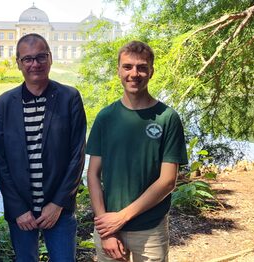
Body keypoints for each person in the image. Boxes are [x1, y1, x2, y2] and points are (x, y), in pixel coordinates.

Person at [86, 41, 188, 261]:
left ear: (151, 72)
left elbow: (168, 181)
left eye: (142, 67)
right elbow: (92, 174)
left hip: (150, 229)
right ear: (118, 71)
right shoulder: (106, 117)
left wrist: (121, 218)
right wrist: (107, 228)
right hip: (109, 228)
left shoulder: (167, 118)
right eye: (127, 67)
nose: (134, 73)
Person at [0, 33, 87, 261]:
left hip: (60, 209)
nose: (35, 64)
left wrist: (58, 204)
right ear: (19, 64)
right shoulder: (4, 104)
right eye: (28, 59)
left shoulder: (69, 97)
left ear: (50, 59)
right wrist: (17, 208)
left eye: (41, 57)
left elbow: (77, 155)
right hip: (21, 210)